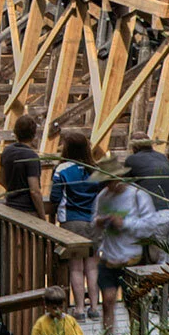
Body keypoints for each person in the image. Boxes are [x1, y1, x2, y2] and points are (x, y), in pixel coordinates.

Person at [90, 162, 155, 335]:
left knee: (133, 305)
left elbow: (150, 226)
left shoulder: (138, 196)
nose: (111, 186)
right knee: (108, 301)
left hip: (132, 258)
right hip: (109, 257)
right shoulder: (102, 197)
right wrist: (99, 223)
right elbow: (93, 225)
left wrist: (124, 224)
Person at [49, 129, 102, 322]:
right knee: (93, 267)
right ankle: (95, 307)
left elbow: (55, 197)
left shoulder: (62, 170)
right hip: (94, 221)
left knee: (76, 268)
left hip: (72, 221)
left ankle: (79, 309)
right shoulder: (96, 169)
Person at [0, 115, 44, 213]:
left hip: (10, 206)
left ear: (15, 133)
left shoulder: (6, 152)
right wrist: (43, 216)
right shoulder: (31, 156)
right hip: (26, 210)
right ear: (34, 134)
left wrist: (14, 192)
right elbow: (34, 191)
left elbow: (1, 180)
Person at [125, 136, 169, 208]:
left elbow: (125, 187)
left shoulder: (131, 160)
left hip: (151, 209)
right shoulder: (162, 157)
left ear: (134, 147)